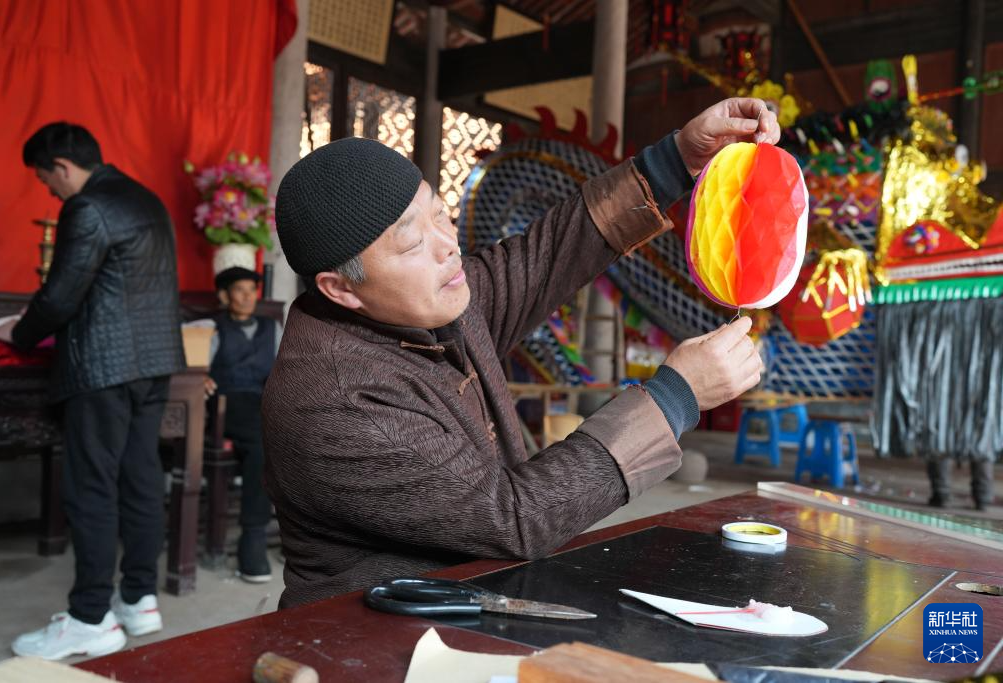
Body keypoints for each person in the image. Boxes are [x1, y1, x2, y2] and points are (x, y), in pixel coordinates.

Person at [263, 98, 775, 609]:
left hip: (479, 605)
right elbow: (512, 516)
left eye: (439, 215)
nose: (447, 245)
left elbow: (547, 256)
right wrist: (675, 396)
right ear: (341, 289)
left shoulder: (434, 304)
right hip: (373, 630)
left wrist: (677, 159)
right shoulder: (335, 402)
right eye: (412, 244)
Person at [0, 122, 186, 659]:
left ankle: (90, 617)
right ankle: (139, 599)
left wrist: (16, 333)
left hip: (102, 368)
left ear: (61, 167)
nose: (51, 192)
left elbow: (59, 298)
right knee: (141, 477)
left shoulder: (88, 206)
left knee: (91, 487)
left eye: (46, 180)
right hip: (154, 365)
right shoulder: (146, 199)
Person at [205, 264, 281, 582]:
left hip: (263, 401)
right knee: (263, 444)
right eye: (240, 290)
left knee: (303, 437)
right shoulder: (212, 328)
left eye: (252, 291)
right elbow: (193, 369)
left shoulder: (272, 328)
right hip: (228, 404)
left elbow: (286, 369)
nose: (248, 297)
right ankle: (252, 541)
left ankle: (304, 535)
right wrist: (200, 377)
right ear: (225, 296)